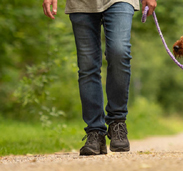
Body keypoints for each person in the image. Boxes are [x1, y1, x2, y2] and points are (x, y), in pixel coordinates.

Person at [42, 0, 157, 155]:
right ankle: (95, 132)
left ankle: (117, 122)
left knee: (119, 52)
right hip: (81, 3)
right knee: (87, 66)